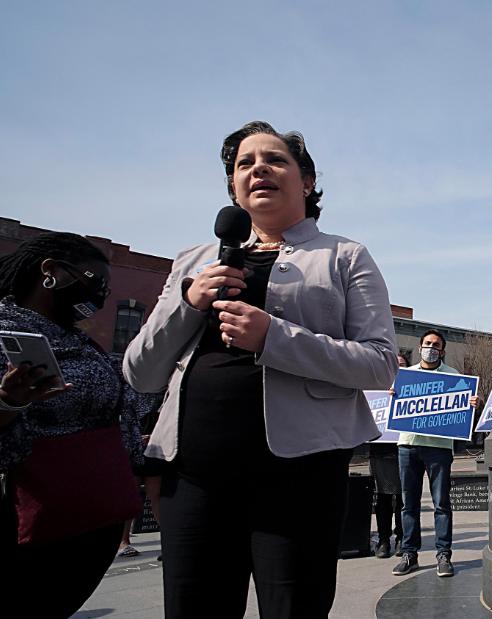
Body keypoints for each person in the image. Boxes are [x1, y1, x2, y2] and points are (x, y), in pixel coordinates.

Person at [123, 121, 398, 618]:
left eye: (274, 159)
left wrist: (274, 337)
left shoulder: (345, 256)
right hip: (196, 474)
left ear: (307, 180)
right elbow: (140, 372)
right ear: (232, 186)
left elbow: (379, 365)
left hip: (300, 474)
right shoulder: (194, 261)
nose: (258, 170)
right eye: (244, 164)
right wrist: (187, 302)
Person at [0, 232, 145, 618]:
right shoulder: (6, 333)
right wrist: (10, 400)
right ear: (51, 272)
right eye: (94, 280)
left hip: (93, 513)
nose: (100, 293)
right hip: (34, 519)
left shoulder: (77, 341)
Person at [392, 330, 478, 578]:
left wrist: (472, 403)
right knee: (409, 504)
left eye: (436, 345)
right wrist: (391, 397)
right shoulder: (405, 377)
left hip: (439, 448)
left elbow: (463, 410)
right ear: (420, 348)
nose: (431, 347)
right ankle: (409, 553)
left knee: (441, 503)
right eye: (427, 343)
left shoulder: (454, 377)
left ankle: (443, 555)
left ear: (442, 351)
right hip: (408, 445)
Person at [369, 352, 408, 559]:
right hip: (380, 451)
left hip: (405, 450)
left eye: (402, 365)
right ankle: (384, 539)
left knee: (403, 498)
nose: (397, 368)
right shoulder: (375, 386)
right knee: (383, 499)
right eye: (394, 365)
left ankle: (402, 538)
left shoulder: (413, 390)